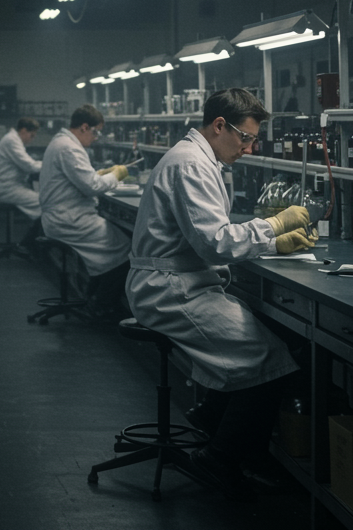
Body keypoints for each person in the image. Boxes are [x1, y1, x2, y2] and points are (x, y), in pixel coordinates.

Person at [125, 88, 312, 501]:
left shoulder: (201, 159)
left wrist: (271, 242)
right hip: (170, 290)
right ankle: (221, 456)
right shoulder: (191, 164)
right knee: (270, 356)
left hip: (183, 283)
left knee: (262, 341)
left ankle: (212, 418)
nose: (249, 147)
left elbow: (211, 237)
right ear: (219, 126)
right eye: (244, 138)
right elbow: (214, 243)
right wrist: (274, 227)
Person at [38, 104, 132, 316]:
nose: (96, 137)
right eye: (96, 131)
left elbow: (80, 178)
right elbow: (92, 187)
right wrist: (116, 175)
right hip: (68, 220)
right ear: (84, 127)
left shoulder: (62, 142)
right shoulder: (69, 148)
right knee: (127, 250)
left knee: (114, 249)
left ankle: (94, 297)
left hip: (65, 216)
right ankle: (102, 305)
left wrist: (100, 173)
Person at [0, 117, 44, 250]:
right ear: (24, 130)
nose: (31, 139)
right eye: (31, 135)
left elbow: (27, 164)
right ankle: (32, 244)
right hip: (7, 189)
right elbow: (28, 165)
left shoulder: (13, 139)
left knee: (43, 203)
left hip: (11, 186)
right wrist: (51, 165)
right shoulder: (12, 141)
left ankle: (31, 242)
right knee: (45, 203)